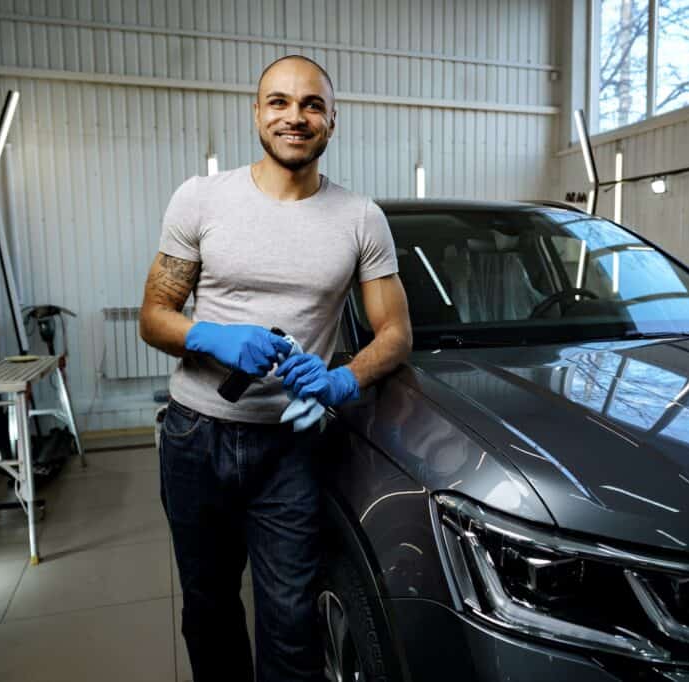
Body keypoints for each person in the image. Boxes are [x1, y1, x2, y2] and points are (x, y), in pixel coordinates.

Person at [138, 54, 412, 682]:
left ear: (332, 121)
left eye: (312, 104)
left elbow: (395, 333)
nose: (295, 116)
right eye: (279, 102)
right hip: (194, 437)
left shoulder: (360, 218)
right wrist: (211, 336)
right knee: (208, 606)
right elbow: (154, 316)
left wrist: (343, 379)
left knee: (290, 615)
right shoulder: (201, 198)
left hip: (291, 446)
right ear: (258, 113)